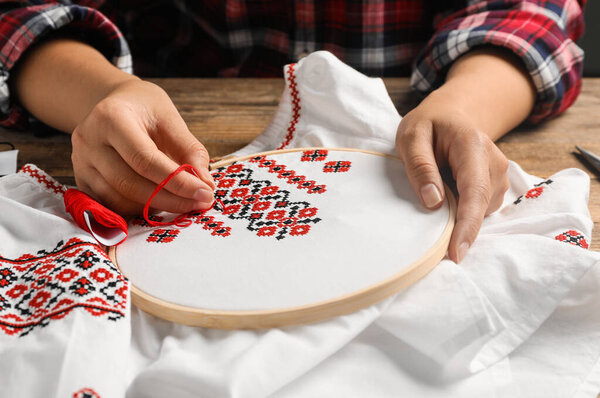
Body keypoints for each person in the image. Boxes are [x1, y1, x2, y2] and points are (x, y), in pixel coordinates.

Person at [0, 1, 585, 263]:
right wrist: (102, 97)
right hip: (158, 131)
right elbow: (21, 12)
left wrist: (464, 106)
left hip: (416, 120)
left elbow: (530, 12)